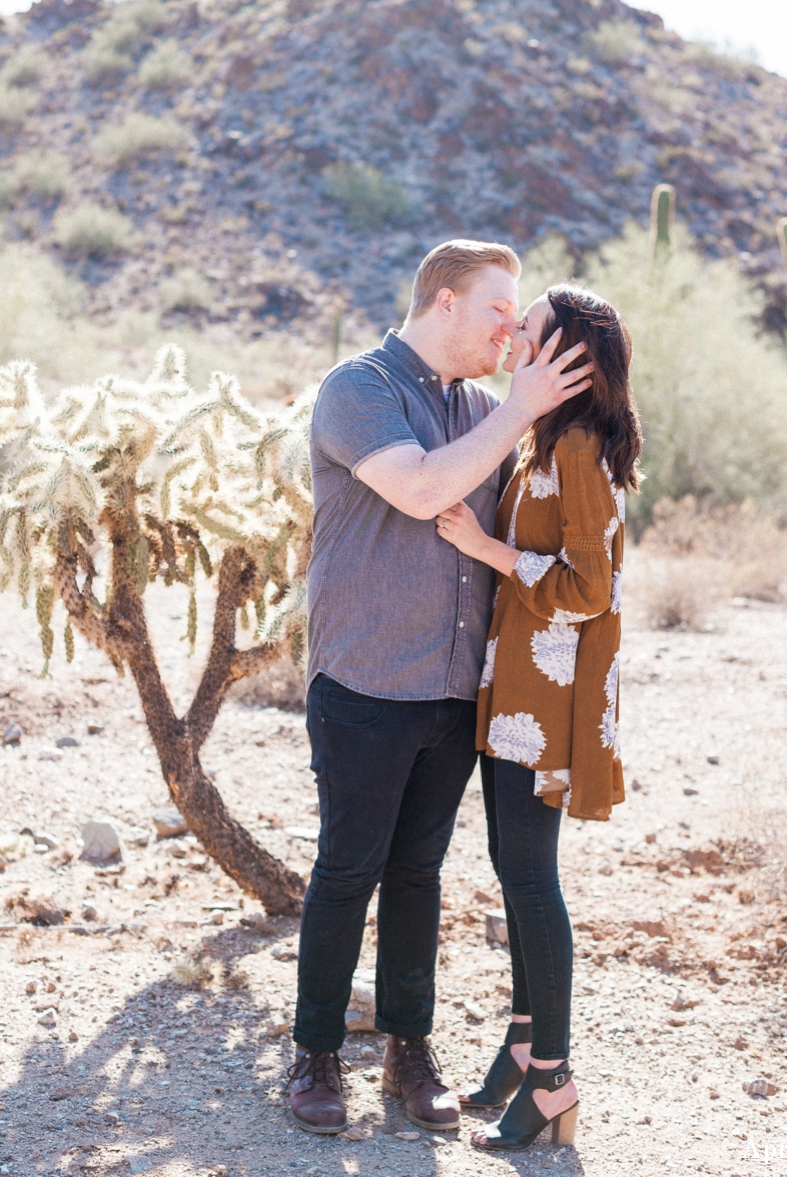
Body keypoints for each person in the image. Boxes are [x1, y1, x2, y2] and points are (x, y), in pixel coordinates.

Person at [287, 241, 594, 1137]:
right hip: (365, 679)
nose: (512, 328)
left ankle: (407, 1048)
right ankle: (313, 1054)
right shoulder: (360, 388)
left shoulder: (480, 407)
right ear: (445, 302)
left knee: (418, 872)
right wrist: (522, 408)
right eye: (500, 309)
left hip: (456, 689)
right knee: (348, 868)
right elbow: (423, 490)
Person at [435, 285, 642, 1152]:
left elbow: (589, 589)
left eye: (533, 326)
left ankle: (553, 1079)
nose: (515, 331)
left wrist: (486, 549)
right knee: (512, 868)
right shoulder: (544, 439)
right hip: (515, 691)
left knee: (529, 880)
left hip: (547, 705)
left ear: (570, 358)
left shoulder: (583, 447)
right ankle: (524, 1047)